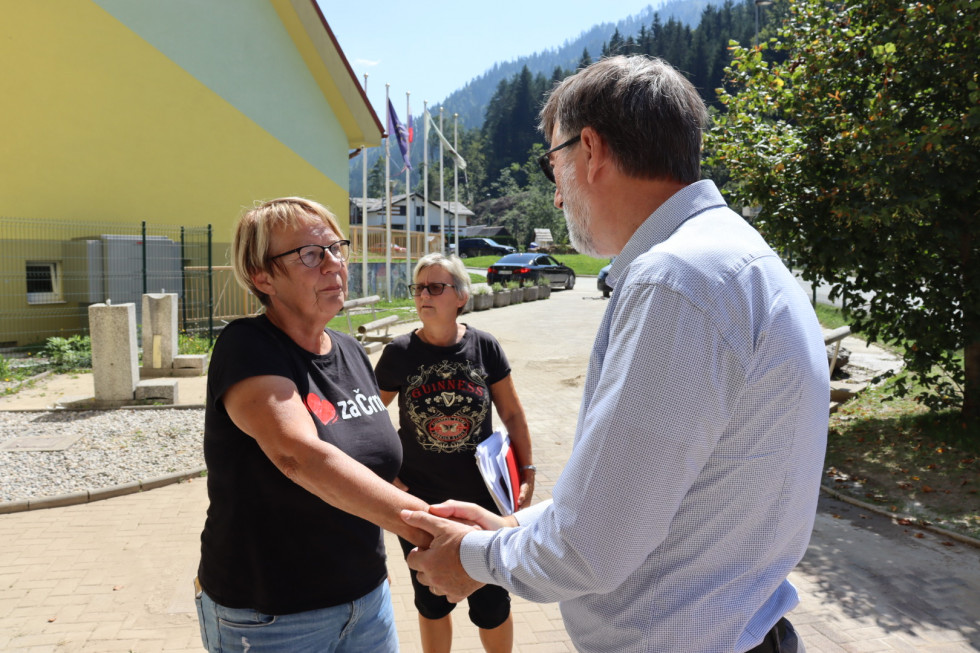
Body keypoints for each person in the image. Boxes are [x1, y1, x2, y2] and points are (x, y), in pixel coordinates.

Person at [402, 55, 829, 653]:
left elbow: (593, 547)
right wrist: (514, 527)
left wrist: (472, 558)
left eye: (553, 163)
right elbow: (646, 491)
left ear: (592, 150)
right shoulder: (732, 257)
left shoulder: (676, 280)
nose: (555, 195)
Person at [195, 197, 432, 653]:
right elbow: (299, 456)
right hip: (270, 617)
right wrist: (430, 531)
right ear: (262, 275)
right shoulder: (247, 346)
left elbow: (373, 464)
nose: (333, 265)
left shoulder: (350, 351)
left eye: (335, 248)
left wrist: (445, 514)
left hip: (366, 601)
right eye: (309, 254)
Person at [375, 252, 535, 653]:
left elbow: (512, 413)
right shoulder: (399, 353)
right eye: (419, 288)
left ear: (460, 297)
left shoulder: (484, 347)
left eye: (436, 287)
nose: (424, 295)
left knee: (492, 601)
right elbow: (371, 422)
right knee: (432, 602)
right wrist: (392, 482)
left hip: (482, 500)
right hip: (421, 504)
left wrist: (527, 470)